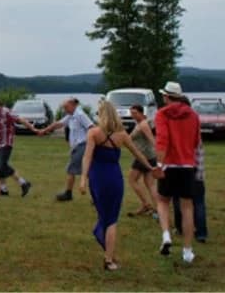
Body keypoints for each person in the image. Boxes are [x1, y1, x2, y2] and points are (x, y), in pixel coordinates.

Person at [78, 101, 161, 270]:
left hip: (97, 179)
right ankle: (109, 259)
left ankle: (107, 250)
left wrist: (83, 179)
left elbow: (87, 157)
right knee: (111, 219)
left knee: (105, 216)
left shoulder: (93, 133)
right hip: (114, 179)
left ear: (101, 115)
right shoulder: (122, 135)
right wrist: (151, 167)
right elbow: (138, 154)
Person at [153, 82, 202, 263]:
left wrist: (159, 164)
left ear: (166, 97)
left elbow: (162, 140)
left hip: (168, 164)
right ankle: (187, 251)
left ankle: (166, 234)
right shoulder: (194, 115)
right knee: (187, 207)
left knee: (162, 200)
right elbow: (197, 141)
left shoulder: (162, 114)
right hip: (187, 165)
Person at [37, 98, 95, 201]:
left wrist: (91, 143)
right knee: (88, 172)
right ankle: (95, 196)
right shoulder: (71, 116)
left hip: (82, 146)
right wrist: (44, 131)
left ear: (73, 105)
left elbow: (92, 127)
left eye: (66, 107)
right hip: (77, 147)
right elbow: (58, 124)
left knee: (71, 170)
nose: (65, 109)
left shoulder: (80, 115)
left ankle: (68, 194)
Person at [0, 99, 35, 197]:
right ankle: (4, 189)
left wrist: (32, 128)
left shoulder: (7, 112)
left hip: (7, 143)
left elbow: (21, 120)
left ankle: (23, 183)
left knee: (3, 165)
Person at [126, 105, 159, 217]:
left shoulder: (143, 124)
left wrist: (159, 153)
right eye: (131, 113)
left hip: (144, 157)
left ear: (141, 113)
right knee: (150, 184)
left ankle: (146, 204)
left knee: (132, 180)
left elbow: (152, 139)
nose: (133, 115)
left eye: (135, 113)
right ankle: (158, 209)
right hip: (149, 156)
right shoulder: (141, 123)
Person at [173, 142, 208, 243]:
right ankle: (201, 233)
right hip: (197, 177)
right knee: (199, 204)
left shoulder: (179, 138)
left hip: (181, 175)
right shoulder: (198, 140)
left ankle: (180, 228)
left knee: (178, 201)